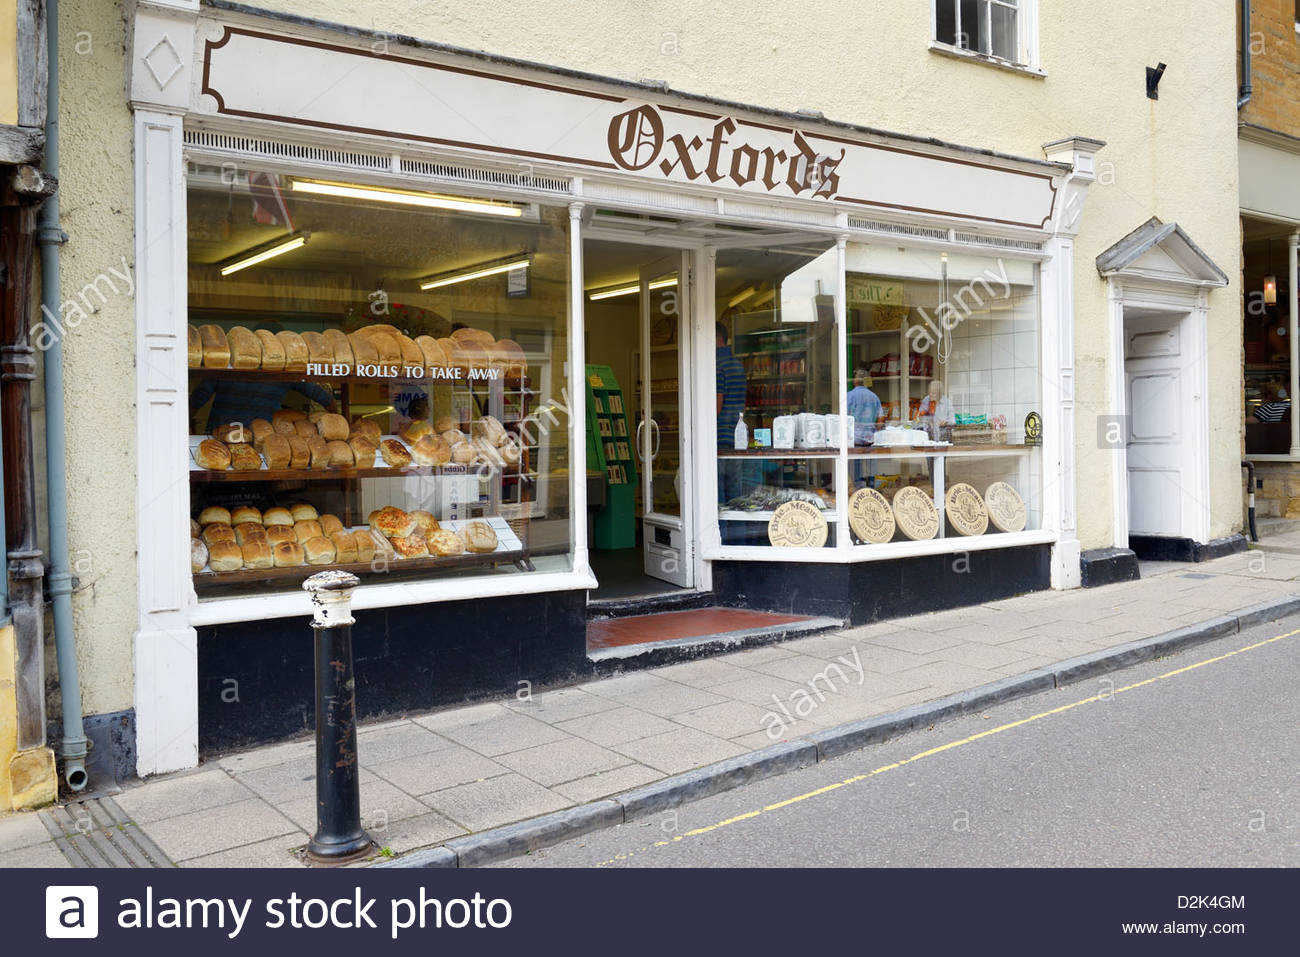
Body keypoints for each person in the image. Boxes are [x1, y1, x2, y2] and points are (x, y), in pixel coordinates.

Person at [190, 377, 337, 431]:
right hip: (258, 437)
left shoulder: (226, 367)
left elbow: (196, 400)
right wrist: (336, 416)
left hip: (221, 434)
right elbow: (322, 396)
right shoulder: (282, 371)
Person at [716, 320, 748, 508]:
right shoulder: (737, 366)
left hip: (719, 436)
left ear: (716, 339)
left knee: (718, 496)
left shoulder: (716, 366)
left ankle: (721, 534)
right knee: (735, 496)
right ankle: (738, 536)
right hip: (737, 437)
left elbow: (715, 406)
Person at [846, 368, 883, 446]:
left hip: (853, 440)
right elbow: (880, 419)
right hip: (870, 439)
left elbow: (844, 418)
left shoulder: (849, 396)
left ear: (855, 381)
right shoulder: (874, 397)